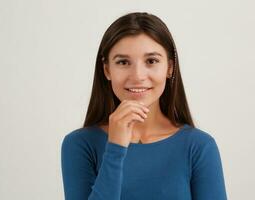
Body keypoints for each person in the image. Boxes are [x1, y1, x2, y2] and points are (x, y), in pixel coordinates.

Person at [61, 12, 228, 200]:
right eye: (123, 62)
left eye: (151, 61)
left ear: (170, 67)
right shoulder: (80, 145)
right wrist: (115, 148)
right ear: (107, 69)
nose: (138, 75)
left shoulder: (199, 146)